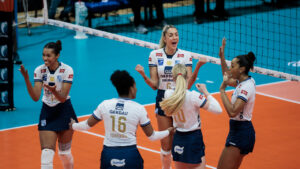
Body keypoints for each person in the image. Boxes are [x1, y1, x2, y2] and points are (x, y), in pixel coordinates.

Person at [70, 70, 175, 169]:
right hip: (130, 155)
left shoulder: (105, 105)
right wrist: (168, 131)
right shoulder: (138, 108)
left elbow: (86, 125)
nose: (136, 89)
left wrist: (73, 125)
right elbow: (152, 136)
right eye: (135, 86)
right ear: (131, 88)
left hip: (108, 154)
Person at [135, 25, 205, 169]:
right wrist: (143, 75)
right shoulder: (155, 55)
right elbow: (155, 85)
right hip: (163, 98)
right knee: (166, 145)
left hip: (180, 98)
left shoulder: (185, 55)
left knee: (182, 139)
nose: (175, 38)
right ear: (165, 38)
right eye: (171, 35)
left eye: (176, 35)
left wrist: (198, 67)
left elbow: (188, 84)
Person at [19, 40, 77, 169]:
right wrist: (26, 78)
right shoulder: (39, 70)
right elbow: (35, 97)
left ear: (57, 56)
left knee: (64, 153)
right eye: (43, 55)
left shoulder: (67, 70)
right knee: (46, 155)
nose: (45, 58)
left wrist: (54, 91)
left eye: (48, 55)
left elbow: (62, 99)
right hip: (47, 111)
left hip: (64, 109)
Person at [160, 64, 222, 169]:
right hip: (193, 139)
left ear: (173, 78)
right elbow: (218, 110)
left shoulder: (168, 94)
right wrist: (206, 92)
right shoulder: (193, 96)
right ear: (187, 77)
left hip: (178, 138)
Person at [217, 38, 256, 169]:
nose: (230, 68)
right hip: (239, 131)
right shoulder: (243, 82)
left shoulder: (246, 88)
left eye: (233, 66)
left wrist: (222, 91)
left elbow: (233, 111)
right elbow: (226, 76)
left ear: (242, 69)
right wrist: (222, 57)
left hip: (241, 132)